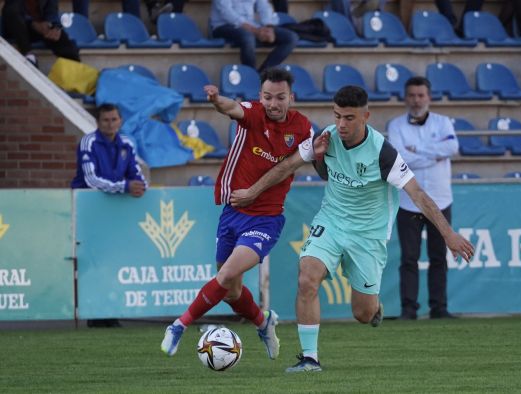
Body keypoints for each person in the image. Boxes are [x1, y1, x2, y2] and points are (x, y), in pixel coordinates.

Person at [230, 85, 474, 372]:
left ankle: (375, 309)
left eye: (348, 118)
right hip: (331, 221)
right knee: (307, 277)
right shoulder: (326, 138)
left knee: (362, 313)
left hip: (368, 235)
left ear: (365, 116)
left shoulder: (383, 152)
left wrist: (448, 234)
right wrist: (252, 192)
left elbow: (417, 193)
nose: (341, 125)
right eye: (337, 116)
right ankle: (310, 359)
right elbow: (287, 166)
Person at [160, 67, 321, 359]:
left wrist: (254, 192)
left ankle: (179, 325)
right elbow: (231, 107)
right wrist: (215, 99)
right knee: (232, 291)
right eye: (268, 97)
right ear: (260, 96)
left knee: (226, 273)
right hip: (234, 212)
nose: (273, 104)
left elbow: (292, 165)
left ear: (291, 98)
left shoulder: (303, 129)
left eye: (280, 97)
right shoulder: (253, 114)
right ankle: (263, 321)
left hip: (266, 219)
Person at [387, 76, 458, 320]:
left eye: (421, 95)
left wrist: (418, 151)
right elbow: (400, 159)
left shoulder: (443, 122)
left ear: (429, 97)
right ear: (406, 98)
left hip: (440, 200)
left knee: (439, 257)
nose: (416, 100)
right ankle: (409, 309)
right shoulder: (396, 125)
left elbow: (452, 149)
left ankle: (439, 308)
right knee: (409, 257)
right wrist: (433, 154)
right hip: (408, 201)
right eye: (412, 95)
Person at [71, 103, 148, 328]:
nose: (110, 124)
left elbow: (138, 175)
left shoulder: (127, 143)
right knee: (91, 260)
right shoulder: (88, 142)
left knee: (114, 259)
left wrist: (139, 186)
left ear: (120, 121)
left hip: (115, 210)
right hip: (89, 209)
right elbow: (91, 180)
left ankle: (110, 312)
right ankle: (94, 313)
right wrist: (125, 187)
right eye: (106, 120)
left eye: (114, 119)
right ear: (98, 122)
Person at [209, 0, 298, 72]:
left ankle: (263, 73)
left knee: (291, 37)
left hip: (251, 26)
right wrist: (255, 30)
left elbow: (264, 7)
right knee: (248, 38)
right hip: (223, 26)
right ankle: (250, 75)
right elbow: (226, 12)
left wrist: (269, 28)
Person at [2, 0, 80, 67]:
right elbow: (13, 11)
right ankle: (29, 57)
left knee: (63, 41)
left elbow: (51, 11)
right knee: (12, 13)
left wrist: (55, 27)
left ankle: (74, 74)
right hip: (18, 27)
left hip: (40, 26)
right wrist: (33, 24)